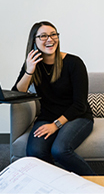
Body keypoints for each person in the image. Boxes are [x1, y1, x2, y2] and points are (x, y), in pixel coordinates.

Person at [12, 21, 95, 175]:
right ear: (34, 41)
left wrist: (55, 125)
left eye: (53, 34)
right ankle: (55, 185)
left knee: (60, 150)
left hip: (78, 117)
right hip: (47, 116)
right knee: (35, 152)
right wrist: (29, 71)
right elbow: (17, 93)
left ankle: (98, 186)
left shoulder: (74, 63)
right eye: (43, 36)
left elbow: (80, 105)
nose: (50, 39)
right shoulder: (32, 64)